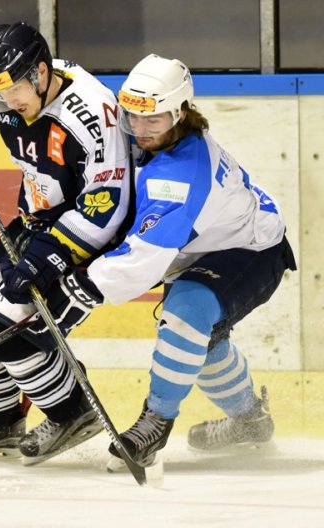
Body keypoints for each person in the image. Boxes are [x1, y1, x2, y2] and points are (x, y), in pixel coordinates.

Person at [35, 54, 297, 466]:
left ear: (180, 113)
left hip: (252, 248)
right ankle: (251, 421)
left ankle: (154, 423)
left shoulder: (179, 175)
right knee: (202, 344)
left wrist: (86, 284)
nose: (139, 130)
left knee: (186, 313)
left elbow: (147, 256)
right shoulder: (151, 141)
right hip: (201, 244)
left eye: (152, 120)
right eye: (132, 118)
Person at [0, 21, 132, 462]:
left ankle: (72, 413)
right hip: (36, 221)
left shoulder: (92, 114)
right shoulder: (5, 81)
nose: (7, 104)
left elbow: (108, 208)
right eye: (0, 95)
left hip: (87, 238)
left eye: (15, 94)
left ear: (41, 73)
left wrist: (53, 257)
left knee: (6, 332)